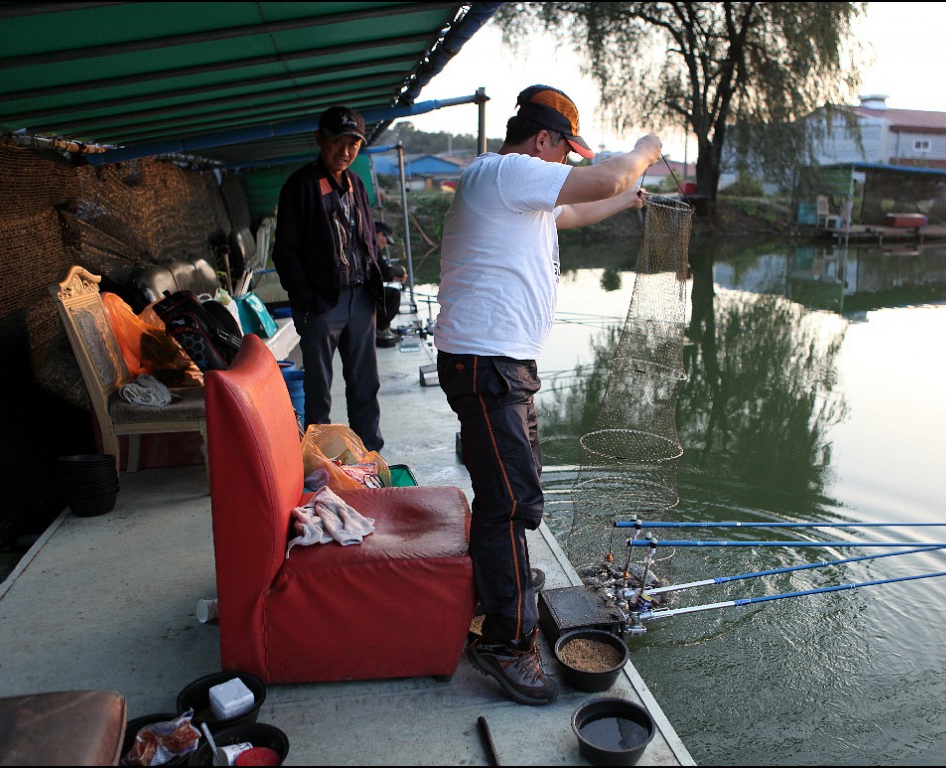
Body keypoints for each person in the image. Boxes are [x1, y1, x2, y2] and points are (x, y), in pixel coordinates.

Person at [435, 84, 661, 706]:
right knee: (513, 502)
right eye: (565, 152)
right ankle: (508, 642)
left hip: (501, 365)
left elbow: (581, 208)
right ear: (543, 140)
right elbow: (605, 175)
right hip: (487, 365)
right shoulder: (507, 173)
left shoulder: (515, 193)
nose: (565, 164)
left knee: (516, 485)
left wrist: (626, 199)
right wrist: (644, 150)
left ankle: (500, 580)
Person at [271, 106, 389, 451]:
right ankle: (319, 460)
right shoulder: (301, 185)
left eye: (354, 144)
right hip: (322, 303)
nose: (346, 151)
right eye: (338, 141)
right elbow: (286, 252)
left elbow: (367, 240)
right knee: (319, 389)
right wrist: (307, 300)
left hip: (361, 299)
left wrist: (378, 280)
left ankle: (369, 455)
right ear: (320, 139)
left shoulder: (356, 184)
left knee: (365, 384)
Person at [373, 221, 407, 348]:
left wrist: (394, 276)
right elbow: (385, 271)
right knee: (394, 294)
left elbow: (381, 273)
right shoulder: (373, 248)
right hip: (363, 294)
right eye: (386, 241)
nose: (385, 245)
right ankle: (380, 328)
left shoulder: (370, 246)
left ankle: (383, 326)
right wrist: (401, 271)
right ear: (379, 235)